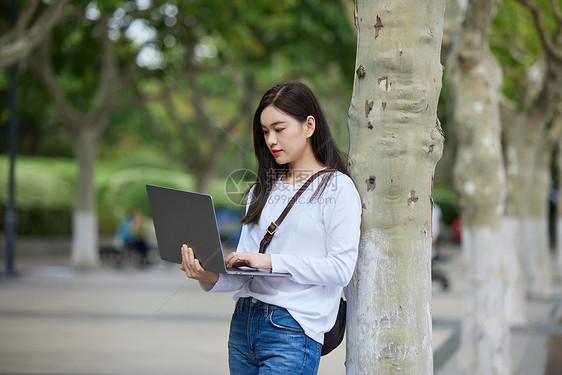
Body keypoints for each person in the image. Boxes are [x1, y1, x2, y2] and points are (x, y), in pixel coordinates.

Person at [179, 82, 362, 374]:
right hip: (243, 323)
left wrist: (270, 261)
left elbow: (340, 269)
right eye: (265, 132)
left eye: (279, 129)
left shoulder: (338, 188)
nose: (271, 140)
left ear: (309, 126)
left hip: (292, 329)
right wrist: (208, 275)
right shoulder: (262, 189)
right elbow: (246, 271)